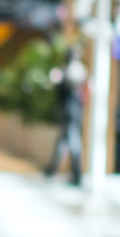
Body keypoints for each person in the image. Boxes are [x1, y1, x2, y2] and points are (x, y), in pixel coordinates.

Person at [44, 46, 87, 186]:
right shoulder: (67, 70)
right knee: (63, 142)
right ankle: (53, 170)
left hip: (72, 112)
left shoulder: (75, 70)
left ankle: (76, 176)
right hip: (69, 111)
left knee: (72, 142)